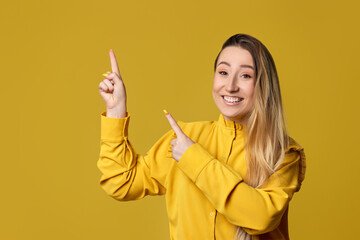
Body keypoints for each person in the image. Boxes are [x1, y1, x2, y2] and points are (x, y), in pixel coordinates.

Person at [97, 34, 306, 240]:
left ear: (263, 85)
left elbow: (261, 218)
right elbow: (121, 183)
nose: (231, 85)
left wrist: (193, 158)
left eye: (245, 76)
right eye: (223, 72)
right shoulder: (182, 138)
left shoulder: (283, 153)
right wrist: (116, 111)